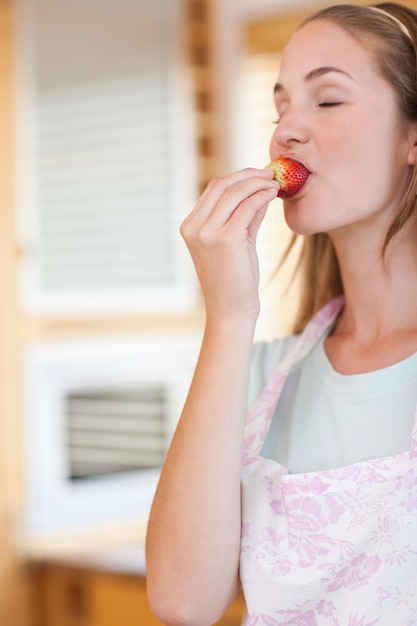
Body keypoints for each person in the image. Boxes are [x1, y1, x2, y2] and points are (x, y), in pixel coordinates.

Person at [146, 3, 417, 625]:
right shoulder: (262, 372)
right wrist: (229, 316)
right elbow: (183, 603)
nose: (286, 131)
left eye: (326, 101)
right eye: (280, 108)